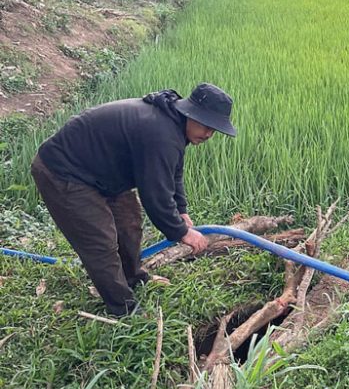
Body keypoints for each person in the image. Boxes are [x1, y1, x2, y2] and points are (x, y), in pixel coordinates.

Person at [30, 83, 237, 316]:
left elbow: (174, 172)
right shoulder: (161, 133)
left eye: (214, 130)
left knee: (129, 225)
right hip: (64, 172)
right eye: (206, 126)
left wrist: (181, 210)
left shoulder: (174, 124)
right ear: (191, 113)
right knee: (101, 242)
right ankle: (124, 309)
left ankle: (134, 278)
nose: (208, 134)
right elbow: (155, 194)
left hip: (102, 173)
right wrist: (182, 232)